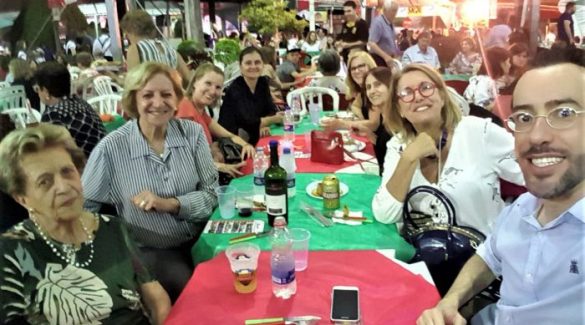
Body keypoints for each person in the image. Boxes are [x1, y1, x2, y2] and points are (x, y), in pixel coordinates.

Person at [416, 50, 584, 325]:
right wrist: (451, 301)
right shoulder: (522, 208)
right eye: (525, 118)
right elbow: (489, 256)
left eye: (563, 113)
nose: (537, 136)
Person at [373, 63, 524, 294]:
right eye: (406, 93)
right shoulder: (398, 146)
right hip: (424, 270)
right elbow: (386, 213)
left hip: (483, 275)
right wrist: (409, 157)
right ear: (399, 108)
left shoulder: (477, 132)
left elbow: (535, 172)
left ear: (442, 96)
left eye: (426, 87)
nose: (418, 97)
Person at [0, 123, 170, 324]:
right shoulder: (10, 251)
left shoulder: (113, 228)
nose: (63, 187)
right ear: (22, 199)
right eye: (45, 181)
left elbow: (157, 299)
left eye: (67, 172)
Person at [81, 62, 219, 302]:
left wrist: (171, 204)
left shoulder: (192, 134)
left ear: (177, 99)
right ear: (133, 100)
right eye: (147, 95)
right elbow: (84, 209)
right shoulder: (111, 148)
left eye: (167, 94)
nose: (158, 103)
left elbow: (211, 195)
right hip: (153, 250)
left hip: (205, 238)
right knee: (194, 292)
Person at [177, 63, 255, 177]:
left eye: (218, 87)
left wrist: (247, 145)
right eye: (208, 83)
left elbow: (229, 135)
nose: (213, 91)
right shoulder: (185, 109)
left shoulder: (200, 111)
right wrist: (220, 166)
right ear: (195, 82)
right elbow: (185, 160)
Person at [35, 61, 106, 158]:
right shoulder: (81, 102)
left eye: (38, 89)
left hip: (86, 168)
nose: (38, 93)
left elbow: (50, 154)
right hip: (105, 160)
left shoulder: (53, 114)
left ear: (46, 92)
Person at [218, 47, 283, 146]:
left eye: (257, 62)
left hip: (255, 136)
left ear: (263, 65)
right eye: (248, 63)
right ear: (240, 66)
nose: (253, 66)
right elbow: (248, 122)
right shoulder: (235, 89)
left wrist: (263, 125)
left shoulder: (263, 82)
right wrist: (274, 119)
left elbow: (270, 109)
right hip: (234, 143)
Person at [120, 9, 191, 82]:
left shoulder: (135, 49)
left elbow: (132, 83)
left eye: (126, 33)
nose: (126, 37)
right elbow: (189, 79)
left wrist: (116, 80)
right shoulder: (170, 49)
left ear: (131, 30)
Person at [368, 0, 400, 67]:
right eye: (393, 10)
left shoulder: (391, 23)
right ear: (385, 10)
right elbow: (372, 43)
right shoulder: (378, 22)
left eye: (396, 10)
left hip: (389, 59)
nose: (395, 13)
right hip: (379, 59)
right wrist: (385, 56)